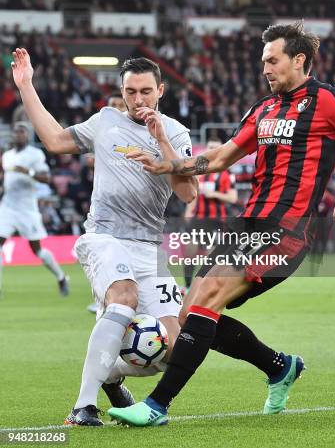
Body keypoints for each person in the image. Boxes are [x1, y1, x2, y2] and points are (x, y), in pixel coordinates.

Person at [108, 21, 335, 427]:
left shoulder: (329, 102)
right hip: (245, 225)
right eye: (263, 61)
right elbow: (223, 156)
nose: (265, 68)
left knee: (207, 294)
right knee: (191, 312)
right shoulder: (262, 109)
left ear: (299, 60)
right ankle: (280, 367)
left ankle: (156, 405)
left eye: (272, 60)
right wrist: (169, 164)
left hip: (286, 230)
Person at [11, 50, 197, 426]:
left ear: (160, 90)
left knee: (180, 347)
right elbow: (55, 140)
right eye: (131, 91)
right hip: (104, 236)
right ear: (122, 91)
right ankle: (83, 406)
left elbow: (188, 193)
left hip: (149, 246)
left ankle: (110, 372)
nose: (138, 99)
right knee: (124, 298)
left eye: (146, 91)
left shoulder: (177, 133)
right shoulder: (105, 121)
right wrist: (26, 86)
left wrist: (161, 141)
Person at [0, 123, 69, 296]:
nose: (18, 135)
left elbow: (46, 178)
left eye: (21, 132)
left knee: (37, 250)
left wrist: (29, 172)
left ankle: (61, 277)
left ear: (28, 135)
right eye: (15, 131)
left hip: (27, 208)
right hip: (7, 206)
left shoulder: (35, 154)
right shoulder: (7, 156)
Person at [86, 91, 127, 315]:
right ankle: (103, 298)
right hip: (105, 207)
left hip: (132, 210)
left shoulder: (136, 134)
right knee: (103, 258)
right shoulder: (100, 130)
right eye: (111, 104)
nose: (115, 108)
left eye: (119, 104)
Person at [183, 138, 238, 289]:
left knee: (210, 253)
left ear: (220, 149)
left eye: (215, 147)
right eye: (210, 147)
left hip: (217, 219)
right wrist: (189, 210)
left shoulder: (227, 173)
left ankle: (204, 287)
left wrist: (214, 194)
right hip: (199, 217)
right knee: (190, 251)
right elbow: (194, 193)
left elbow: (233, 197)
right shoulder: (200, 171)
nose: (212, 149)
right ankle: (188, 286)